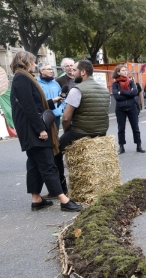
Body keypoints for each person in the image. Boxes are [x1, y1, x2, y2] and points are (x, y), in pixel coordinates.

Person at [9, 51, 82, 212]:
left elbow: (34, 104)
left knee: (34, 164)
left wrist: (52, 101)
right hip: (32, 129)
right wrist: (41, 129)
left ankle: (36, 199)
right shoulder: (22, 78)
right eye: (33, 62)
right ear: (25, 61)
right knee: (48, 164)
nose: (35, 65)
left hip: (29, 129)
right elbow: (29, 107)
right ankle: (64, 200)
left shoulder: (22, 77)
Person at [54, 60, 111, 197]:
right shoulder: (104, 89)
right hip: (101, 132)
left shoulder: (76, 90)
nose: (72, 73)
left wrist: (68, 132)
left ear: (83, 72)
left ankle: (61, 189)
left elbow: (66, 118)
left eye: (74, 70)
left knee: (55, 151)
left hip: (82, 131)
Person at [112, 65, 145, 154]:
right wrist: (128, 95)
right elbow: (116, 96)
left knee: (135, 127)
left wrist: (122, 92)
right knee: (121, 128)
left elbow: (134, 92)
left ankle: (138, 145)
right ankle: (121, 147)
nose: (125, 72)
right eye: (123, 70)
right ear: (118, 72)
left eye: (126, 70)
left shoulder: (131, 82)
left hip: (132, 107)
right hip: (120, 109)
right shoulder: (115, 84)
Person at [37, 62, 66, 130]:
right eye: (49, 69)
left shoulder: (55, 83)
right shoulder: (36, 84)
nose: (51, 71)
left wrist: (60, 109)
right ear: (41, 71)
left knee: (55, 138)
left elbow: (63, 97)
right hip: (43, 116)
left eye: (51, 69)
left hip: (56, 116)